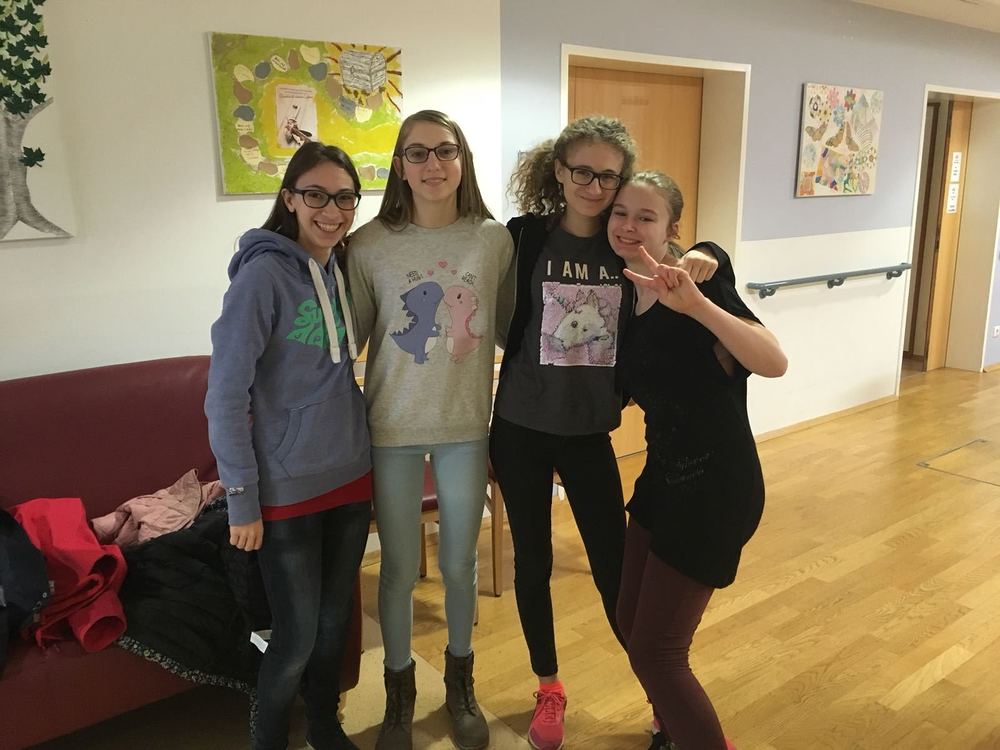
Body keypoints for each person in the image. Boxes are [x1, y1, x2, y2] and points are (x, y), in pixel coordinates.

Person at [489, 117, 719, 750]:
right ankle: (549, 686)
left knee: (613, 571)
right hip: (520, 426)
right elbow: (505, 319)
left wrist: (711, 251)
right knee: (532, 563)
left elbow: (693, 255)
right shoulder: (525, 237)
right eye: (582, 172)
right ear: (558, 171)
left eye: (608, 176)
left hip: (589, 431)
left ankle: (659, 693)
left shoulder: (629, 248)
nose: (594, 187)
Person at [346, 110, 514, 750]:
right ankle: (399, 694)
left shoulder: (493, 242)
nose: (432, 165)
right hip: (390, 426)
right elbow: (347, 340)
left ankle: (460, 686)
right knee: (395, 569)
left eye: (444, 150)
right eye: (416, 153)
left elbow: (514, 330)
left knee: (458, 565)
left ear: (462, 159)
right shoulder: (368, 245)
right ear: (399, 166)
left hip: (465, 427)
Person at [608, 171, 787, 750]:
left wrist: (699, 306)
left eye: (646, 216)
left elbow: (774, 361)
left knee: (659, 654)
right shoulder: (623, 291)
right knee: (630, 623)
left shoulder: (695, 283)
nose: (628, 226)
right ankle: (673, 728)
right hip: (662, 479)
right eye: (620, 213)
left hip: (716, 487)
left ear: (672, 229)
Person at [205, 141, 373, 750]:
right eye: (316, 195)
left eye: (345, 198)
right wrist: (242, 499)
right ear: (290, 199)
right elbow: (225, 395)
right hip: (286, 488)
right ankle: (269, 736)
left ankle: (325, 724)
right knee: (296, 635)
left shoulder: (341, 267)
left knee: (333, 622)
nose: (332, 211)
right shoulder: (261, 277)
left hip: (351, 477)